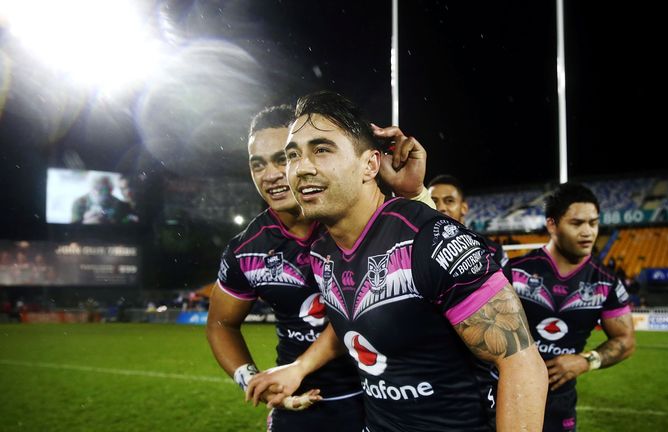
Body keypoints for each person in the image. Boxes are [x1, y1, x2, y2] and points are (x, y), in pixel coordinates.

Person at [247, 91, 547, 431]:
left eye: (321, 149)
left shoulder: (430, 239)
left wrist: (415, 195)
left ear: (370, 164)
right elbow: (353, 320)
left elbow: (520, 362)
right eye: (293, 155)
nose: (301, 168)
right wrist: (299, 366)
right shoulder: (321, 252)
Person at [206, 104, 435, 432]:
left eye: (283, 159)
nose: (270, 175)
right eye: (258, 164)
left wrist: (410, 192)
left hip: (378, 396)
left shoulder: (354, 219)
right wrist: (254, 381)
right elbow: (220, 323)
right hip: (298, 402)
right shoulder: (246, 249)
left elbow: (437, 254)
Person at [503, 182, 635, 432]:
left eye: (593, 223)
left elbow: (626, 340)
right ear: (552, 225)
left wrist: (586, 361)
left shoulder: (605, 282)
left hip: (559, 405)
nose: (588, 232)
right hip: (506, 395)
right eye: (577, 223)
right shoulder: (516, 271)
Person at [428, 174, 508, 267]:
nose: (441, 208)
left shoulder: (492, 251)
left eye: (449, 201)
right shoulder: (414, 251)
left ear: (464, 208)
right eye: (433, 201)